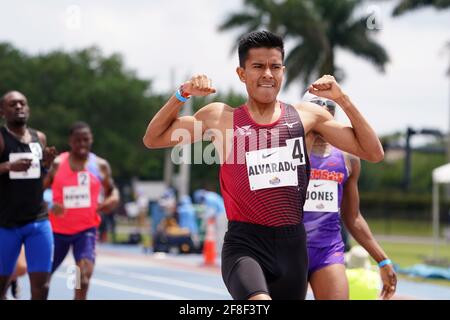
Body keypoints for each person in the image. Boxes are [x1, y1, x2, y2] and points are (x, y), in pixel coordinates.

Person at [143, 30, 384, 300]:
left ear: (283, 70)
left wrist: (342, 99)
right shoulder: (220, 118)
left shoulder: (306, 117)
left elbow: (373, 152)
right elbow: (153, 138)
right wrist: (182, 93)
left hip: (292, 247)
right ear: (242, 73)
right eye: (258, 66)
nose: (267, 74)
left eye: (275, 66)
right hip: (245, 245)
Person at [302, 94, 397, 300]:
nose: (320, 120)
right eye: (315, 114)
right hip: (291, 248)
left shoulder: (347, 158)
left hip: (328, 250)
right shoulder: (290, 151)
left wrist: (382, 260)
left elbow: (352, 217)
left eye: (327, 114)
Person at [43, 121, 120, 300]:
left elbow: (112, 190)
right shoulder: (57, 163)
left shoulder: (100, 165)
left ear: (91, 139)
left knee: (82, 278)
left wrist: (113, 199)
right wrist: (49, 204)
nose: (82, 144)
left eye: (86, 140)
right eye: (78, 140)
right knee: (43, 280)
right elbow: (37, 190)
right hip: (56, 232)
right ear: (70, 141)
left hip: (85, 232)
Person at [0, 91, 57, 300]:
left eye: (22, 103)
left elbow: (39, 176)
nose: (18, 107)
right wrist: (8, 166)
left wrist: (47, 165)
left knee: (42, 287)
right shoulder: (1, 138)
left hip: (38, 221)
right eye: (12, 104)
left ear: (28, 108)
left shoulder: (38, 137)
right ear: (2, 112)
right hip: (6, 224)